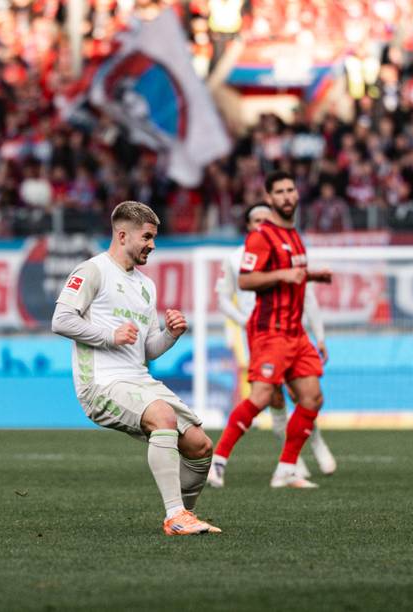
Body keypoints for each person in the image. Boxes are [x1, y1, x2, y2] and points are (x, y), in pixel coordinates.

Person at [51, 201, 221, 536]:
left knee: (200, 447)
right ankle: (175, 515)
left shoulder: (145, 285)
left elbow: (146, 351)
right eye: (147, 237)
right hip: (100, 383)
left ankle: (183, 514)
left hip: (138, 379)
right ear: (122, 234)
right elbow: (60, 320)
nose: (152, 245)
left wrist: (170, 335)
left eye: (154, 238)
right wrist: (108, 335)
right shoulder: (92, 271)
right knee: (163, 417)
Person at [208, 171, 333, 488]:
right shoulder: (262, 236)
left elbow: (294, 278)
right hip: (271, 330)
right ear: (270, 198)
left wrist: (313, 276)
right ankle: (217, 462)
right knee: (263, 396)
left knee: (311, 397)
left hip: (295, 332)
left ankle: (286, 469)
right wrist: (282, 275)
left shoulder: (294, 236)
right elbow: (247, 280)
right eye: (280, 192)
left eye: (291, 190)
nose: (287, 196)